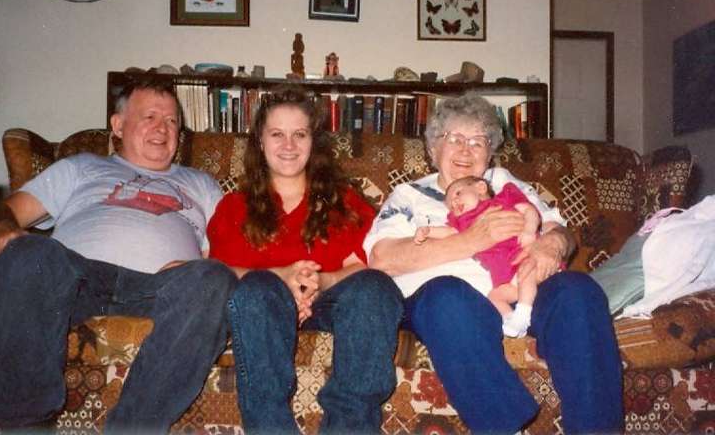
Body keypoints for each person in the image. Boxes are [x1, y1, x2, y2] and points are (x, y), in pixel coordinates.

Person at [0, 78, 237, 433]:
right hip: (73, 279)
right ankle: (25, 426)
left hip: (160, 289)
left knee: (214, 280)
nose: (162, 128)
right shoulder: (80, 167)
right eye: (149, 117)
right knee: (28, 253)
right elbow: (2, 211)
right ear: (118, 125)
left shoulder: (201, 183)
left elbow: (229, 252)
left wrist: (200, 268)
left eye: (172, 121)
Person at [364, 94, 623, 434]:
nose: (466, 150)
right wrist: (472, 240)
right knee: (446, 296)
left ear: (489, 154)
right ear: (433, 149)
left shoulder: (503, 183)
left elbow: (559, 231)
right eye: (455, 139)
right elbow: (381, 259)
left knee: (578, 290)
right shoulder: (408, 196)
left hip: (519, 287)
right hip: (444, 304)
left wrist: (551, 244)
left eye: (478, 141)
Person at [207, 87, 403, 434]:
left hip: (330, 306)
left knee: (376, 287)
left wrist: (321, 281)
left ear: (314, 142)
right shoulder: (234, 206)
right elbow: (219, 272)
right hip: (261, 311)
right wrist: (282, 279)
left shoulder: (343, 201)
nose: (289, 145)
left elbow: (363, 266)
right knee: (257, 288)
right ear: (260, 142)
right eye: (277, 134)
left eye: (299, 134)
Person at [414, 175, 541, 337]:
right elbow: (449, 232)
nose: (454, 202)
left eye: (458, 193)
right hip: (507, 278)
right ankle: (512, 321)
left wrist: (529, 230)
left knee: (526, 270)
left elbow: (529, 211)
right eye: (451, 205)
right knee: (494, 297)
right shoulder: (463, 221)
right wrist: (428, 231)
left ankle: (523, 314)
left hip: (525, 256)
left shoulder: (503, 199)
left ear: (481, 187)